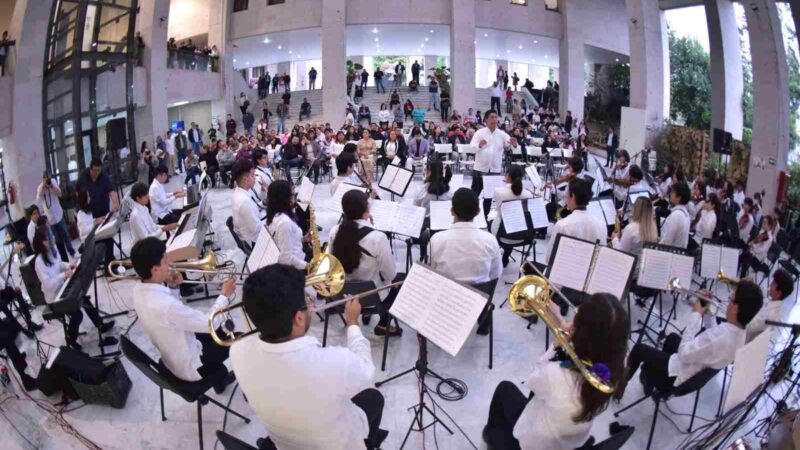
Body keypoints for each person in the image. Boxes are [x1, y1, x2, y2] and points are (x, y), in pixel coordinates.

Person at [230, 264, 388, 450]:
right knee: (373, 397)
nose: (311, 305)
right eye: (307, 301)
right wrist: (353, 323)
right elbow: (367, 373)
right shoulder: (334, 363)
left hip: (285, 442)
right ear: (298, 318)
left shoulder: (237, 350)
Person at [484, 293, 629, 450]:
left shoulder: (556, 376)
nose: (576, 310)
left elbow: (532, 381)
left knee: (504, 389)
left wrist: (556, 344)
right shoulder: (612, 372)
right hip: (572, 439)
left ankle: (492, 438)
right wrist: (560, 318)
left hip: (535, 443)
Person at [131, 237, 237, 391]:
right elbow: (209, 323)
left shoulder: (138, 291)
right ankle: (220, 377)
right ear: (154, 269)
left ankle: (219, 380)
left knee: (222, 330)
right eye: (166, 261)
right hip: (190, 365)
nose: (170, 264)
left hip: (173, 354)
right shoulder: (165, 305)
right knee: (236, 338)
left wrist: (174, 288)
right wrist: (224, 295)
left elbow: (170, 319)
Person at [627, 280, 763, 394]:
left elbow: (684, 353)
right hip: (694, 370)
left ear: (736, 308)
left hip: (677, 378)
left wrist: (696, 313)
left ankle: (622, 387)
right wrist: (708, 313)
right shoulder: (740, 334)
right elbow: (714, 335)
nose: (727, 303)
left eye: (730, 300)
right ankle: (650, 377)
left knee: (639, 349)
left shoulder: (718, 337)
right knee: (672, 338)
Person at [330, 191, 403, 336]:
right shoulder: (378, 237)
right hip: (372, 297)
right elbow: (390, 274)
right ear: (366, 211)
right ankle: (383, 325)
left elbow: (332, 265)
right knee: (401, 279)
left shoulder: (334, 231)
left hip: (343, 296)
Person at [430, 188, 502, 334]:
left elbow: (431, 272)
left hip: (446, 299)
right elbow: (496, 274)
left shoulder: (436, 240)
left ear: (451, 211)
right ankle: (483, 317)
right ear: (478, 211)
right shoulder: (490, 240)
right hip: (479, 300)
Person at [33, 228, 112, 350]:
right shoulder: (39, 262)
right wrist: (63, 275)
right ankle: (71, 339)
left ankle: (100, 325)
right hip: (54, 297)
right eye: (50, 237)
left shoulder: (53, 251)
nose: (53, 238)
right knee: (77, 314)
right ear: (44, 242)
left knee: (83, 297)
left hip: (62, 287)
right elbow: (47, 284)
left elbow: (59, 264)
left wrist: (69, 265)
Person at [545, 178, 607, 263]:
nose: (565, 198)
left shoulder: (562, 225)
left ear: (573, 196)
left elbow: (549, 258)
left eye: (566, 195)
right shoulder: (602, 224)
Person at [488, 166, 535, 265]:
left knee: (491, 220)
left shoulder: (498, 191)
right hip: (522, 235)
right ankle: (506, 256)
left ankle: (494, 254)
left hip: (501, 234)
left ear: (508, 176)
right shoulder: (528, 194)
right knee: (514, 224)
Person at [470, 110, 515, 195]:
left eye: (495, 117)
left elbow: (509, 145)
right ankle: (473, 208)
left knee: (490, 196)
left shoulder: (502, 134)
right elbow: (472, 147)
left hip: (495, 169)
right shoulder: (479, 133)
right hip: (480, 168)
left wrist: (513, 144)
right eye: (492, 117)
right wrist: (479, 145)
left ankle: (487, 208)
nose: (494, 119)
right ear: (486, 120)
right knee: (474, 194)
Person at [266, 181, 308, 270]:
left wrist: (303, 239)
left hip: (297, 254)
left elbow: (286, 241)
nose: (294, 197)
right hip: (296, 265)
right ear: (284, 198)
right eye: (293, 194)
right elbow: (285, 259)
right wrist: (308, 266)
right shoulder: (284, 223)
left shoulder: (274, 214)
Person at [37, 175, 75, 262]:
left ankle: (72, 252)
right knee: (57, 239)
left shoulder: (53, 182)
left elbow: (59, 193)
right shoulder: (40, 187)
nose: (47, 181)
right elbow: (38, 199)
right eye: (45, 180)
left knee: (65, 234)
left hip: (58, 215)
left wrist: (50, 186)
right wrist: (43, 187)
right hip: (50, 220)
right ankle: (63, 258)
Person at [747, 269, 794, 339]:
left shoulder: (770, 315)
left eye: (774, 283)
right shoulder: (770, 300)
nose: (770, 284)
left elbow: (749, 326)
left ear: (778, 293)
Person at [75, 189, 115, 269]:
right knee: (108, 241)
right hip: (88, 241)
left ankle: (111, 262)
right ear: (84, 199)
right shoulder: (80, 214)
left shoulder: (88, 211)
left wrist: (97, 220)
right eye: (88, 196)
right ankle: (109, 267)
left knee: (109, 238)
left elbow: (89, 222)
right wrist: (95, 223)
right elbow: (84, 230)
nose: (90, 198)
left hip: (93, 236)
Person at [231, 160, 262, 246]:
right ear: (245, 179)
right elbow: (255, 228)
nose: (255, 178)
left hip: (248, 232)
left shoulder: (239, 192)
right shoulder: (244, 201)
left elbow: (253, 209)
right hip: (254, 240)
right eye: (252, 175)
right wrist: (272, 220)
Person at [739, 215, 776, 279]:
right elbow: (756, 241)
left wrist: (752, 248)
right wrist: (750, 244)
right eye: (763, 222)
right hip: (753, 253)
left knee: (745, 259)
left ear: (769, 226)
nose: (762, 224)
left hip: (758, 258)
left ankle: (742, 280)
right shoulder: (762, 231)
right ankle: (738, 276)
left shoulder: (769, 238)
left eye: (765, 223)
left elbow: (762, 250)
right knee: (741, 255)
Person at [660, 181, 691, 248]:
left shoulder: (676, 215)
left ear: (679, 197)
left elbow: (666, 242)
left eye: (673, 192)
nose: (670, 194)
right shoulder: (686, 214)